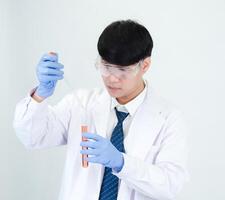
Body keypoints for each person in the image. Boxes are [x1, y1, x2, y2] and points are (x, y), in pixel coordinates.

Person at [13, 19, 189, 200]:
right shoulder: (80, 103)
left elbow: (170, 186)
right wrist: (40, 95)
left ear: (144, 65)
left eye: (122, 70)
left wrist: (121, 163)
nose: (112, 79)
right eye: (106, 66)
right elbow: (33, 137)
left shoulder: (169, 118)